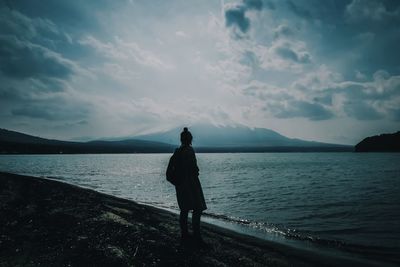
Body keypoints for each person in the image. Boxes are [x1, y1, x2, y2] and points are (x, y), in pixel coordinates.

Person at [173, 127, 207, 245]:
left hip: (181, 185)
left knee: (184, 210)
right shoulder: (190, 151)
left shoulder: (177, 151)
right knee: (197, 209)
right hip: (191, 184)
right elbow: (194, 169)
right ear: (190, 139)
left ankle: (185, 235)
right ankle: (197, 236)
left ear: (181, 139)